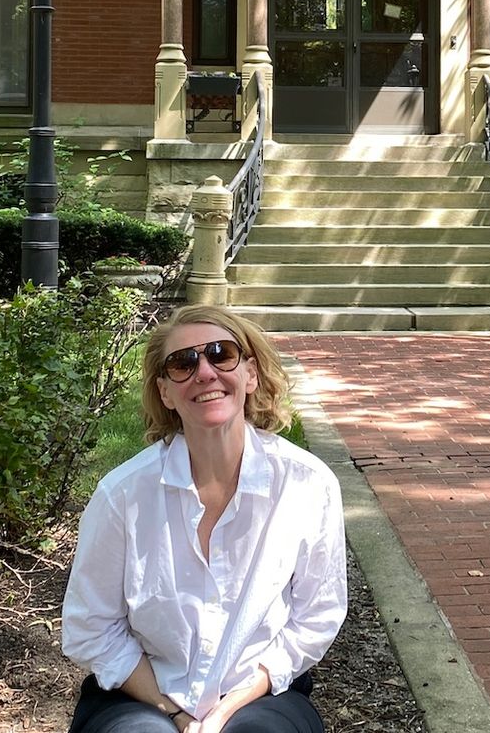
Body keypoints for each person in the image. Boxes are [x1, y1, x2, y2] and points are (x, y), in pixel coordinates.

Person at [63, 305, 347, 733]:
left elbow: (316, 616)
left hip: (260, 694)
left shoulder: (308, 485)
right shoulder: (122, 496)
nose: (205, 372)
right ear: (165, 392)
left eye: (220, 353)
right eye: (183, 363)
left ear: (250, 374)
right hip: (140, 695)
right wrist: (174, 714)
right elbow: (91, 627)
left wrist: (226, 710)